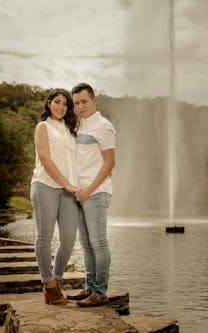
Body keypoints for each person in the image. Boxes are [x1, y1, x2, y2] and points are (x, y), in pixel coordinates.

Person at [66, 83, 116, 307]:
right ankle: (89, 288)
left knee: (98, 242)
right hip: (81, 192)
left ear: (94, 100)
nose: (80, 106)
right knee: (86, 244)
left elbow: (110, 163)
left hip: (96, 192)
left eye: (84, 101)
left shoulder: (103, 126)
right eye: (76, 103)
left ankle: (100, 292)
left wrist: (89, 189)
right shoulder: (82, 125)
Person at [30, 88, 80, 305]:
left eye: (65, 104)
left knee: (68, 238)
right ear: (49, 103)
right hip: (45, 186)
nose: (61, 107)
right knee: (45, 236)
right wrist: (67, 184)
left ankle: (56, 281)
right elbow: (45, 159)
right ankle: (48, 285)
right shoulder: (43, 127)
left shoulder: (72, 130)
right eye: (57, 102)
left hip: (70, 191)